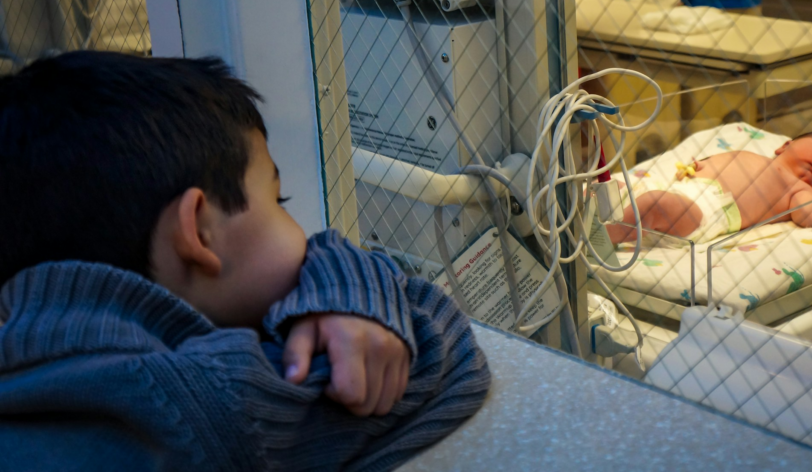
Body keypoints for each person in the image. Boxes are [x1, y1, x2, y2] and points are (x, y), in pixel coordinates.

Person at [0, 52, 490, 471]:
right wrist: (348, 297)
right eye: (279, 200)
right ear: (198, 234)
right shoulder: (197, 405)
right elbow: (438, 346)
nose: (300, 228)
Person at [606, 132, 812, 245]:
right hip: (677, 188)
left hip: (707, 211)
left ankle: (601, 238)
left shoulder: (798, 189)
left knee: (653, 204)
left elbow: (811, 214)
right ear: (784, 146)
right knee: (612, 186)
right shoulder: (758, 159)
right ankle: (578, 212)